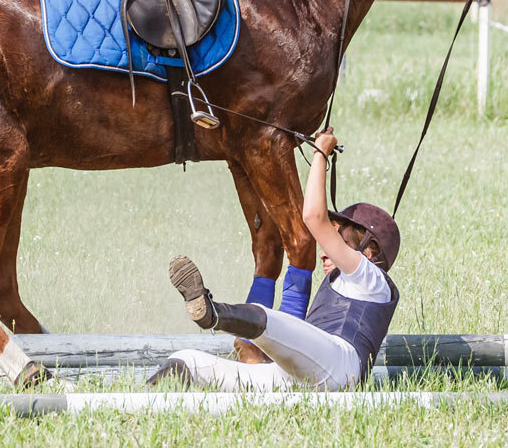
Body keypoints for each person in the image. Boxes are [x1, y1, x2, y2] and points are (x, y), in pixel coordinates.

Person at [147, 128, 400, 391]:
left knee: (270, 318)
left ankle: (211, 313)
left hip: (341, 368)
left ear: (369, 250)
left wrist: (320, 153)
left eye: (340, 240)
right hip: (300, 375)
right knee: (185, 360)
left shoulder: (371, 278)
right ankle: (134, 404)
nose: (325, 251)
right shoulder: (345, 281)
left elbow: (313, 217)